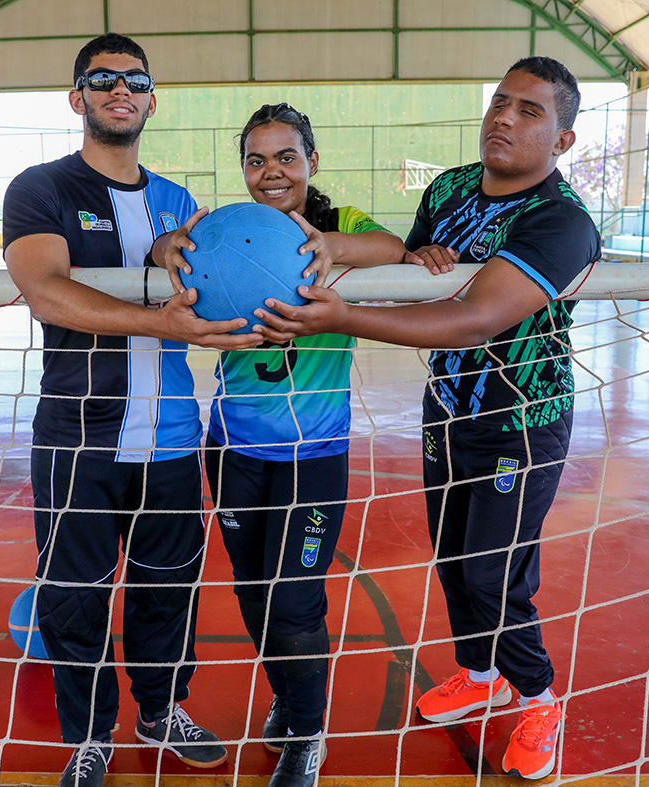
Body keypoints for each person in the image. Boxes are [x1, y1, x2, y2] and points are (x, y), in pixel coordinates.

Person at [252, 57, 601, 781]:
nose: (503, 117)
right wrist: (418, 257)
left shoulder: (559, 221)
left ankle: (537, 697)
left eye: (529, 111)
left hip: (522, 419)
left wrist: (341, 315)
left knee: (491, 571)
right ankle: (480, 674)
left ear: (562, 141)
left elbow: (474, 317)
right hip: (446, 409)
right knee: (451, 559)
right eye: (499, 102)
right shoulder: (447, 188)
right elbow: (413, 279)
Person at [157, 102, 453, 787]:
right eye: (255, 160)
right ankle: (290, 703)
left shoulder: (340, 222)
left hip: (313, 454)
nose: (270, 173)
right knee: (256, 593)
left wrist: (325, 246)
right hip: (231, 448)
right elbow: (167, 248)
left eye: (285, 157)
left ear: (311, 161)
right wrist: (162, 247)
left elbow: (389, 250)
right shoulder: (227, 229)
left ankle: (306, 737)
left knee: (295, 596)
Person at [1, 33, 262, 787]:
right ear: (76, 95)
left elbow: (209, 278)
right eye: (102, 78)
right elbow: (46, 289)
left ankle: (159, 706)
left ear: (152, 97)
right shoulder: (41, 188)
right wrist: (160, 320)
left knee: (166, 590)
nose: (121, 89)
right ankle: (89, 734)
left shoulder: (178, 203)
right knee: (75, 598)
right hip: (79, 437)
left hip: (173, 439)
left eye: (135, 79)